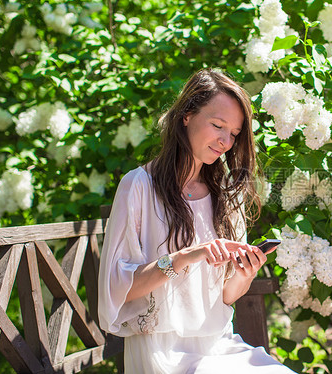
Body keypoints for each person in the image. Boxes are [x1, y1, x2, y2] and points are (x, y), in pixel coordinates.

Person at [98, 69, 295, 373]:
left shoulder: (225, 194)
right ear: (187, 115)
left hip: (219, 345)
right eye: (218, 125)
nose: (225, 141)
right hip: (163, 350)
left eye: (234, 134)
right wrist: (188, 255)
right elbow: (116, 288)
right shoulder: (138, 186)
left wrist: (244, 274)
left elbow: (227, 296)